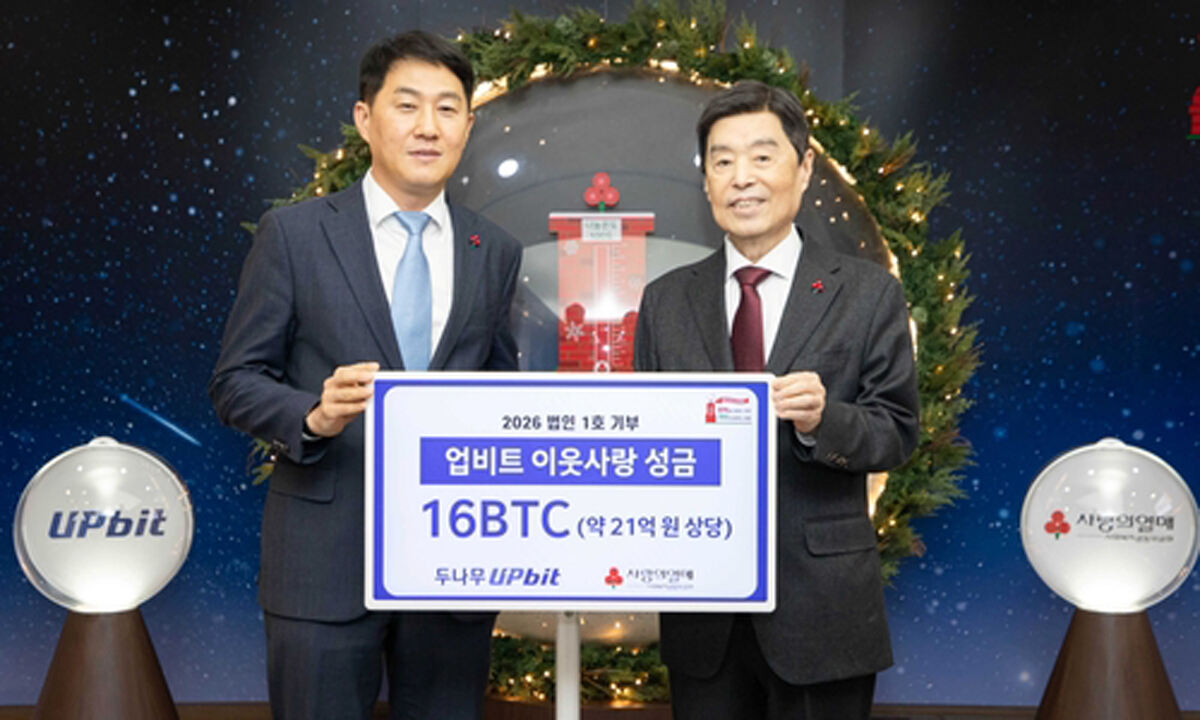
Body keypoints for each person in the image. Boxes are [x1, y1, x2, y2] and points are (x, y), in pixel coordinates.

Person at [208, 30, 522, 720]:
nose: (428, 127)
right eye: (407, 105)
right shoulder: (294, 235)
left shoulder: (493, 250)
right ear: (364, 118)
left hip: (451, 565)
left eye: (447, 109)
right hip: (322, 563)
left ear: (468, 127)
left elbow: (499, 390)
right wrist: (311, 416)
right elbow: (235, 380)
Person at [633, 80, 919, 719]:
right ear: (706, 180)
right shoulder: (666, 300)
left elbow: (896, 431)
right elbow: (647, 439)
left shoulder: (868, 293)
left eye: (762, 156)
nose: (742, 178)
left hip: (823, 608)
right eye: (723, 161)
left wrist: (824, 420)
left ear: (804, 168)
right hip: (703, 610)